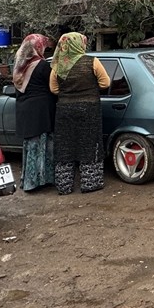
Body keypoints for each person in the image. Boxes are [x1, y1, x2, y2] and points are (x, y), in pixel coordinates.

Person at [49, 32, 110, 195]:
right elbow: (106, 83)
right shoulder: (92, 61)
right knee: (89, 144)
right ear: (79, 44)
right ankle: (90, 183)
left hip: (65, 110)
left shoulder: (58, 65)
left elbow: (53, 89)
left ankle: (64, 185)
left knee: (65, 146)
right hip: (89, 109)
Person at [13, 34, 56, 192]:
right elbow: (53, 86)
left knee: (30, 146)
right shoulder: (42, 65)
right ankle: (43, 179)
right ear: (38, 47)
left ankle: (29, 181)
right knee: (43, 145)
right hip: (41, 110)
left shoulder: (18, 65)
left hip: (24, 109)